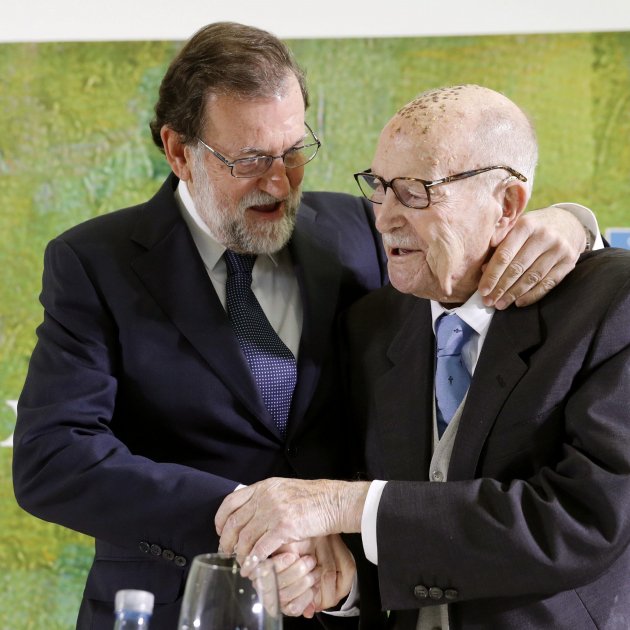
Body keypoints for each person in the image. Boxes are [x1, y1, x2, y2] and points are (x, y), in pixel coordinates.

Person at [12, 19, 596, 629]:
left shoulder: (359, 229)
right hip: (177, 607)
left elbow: (475, 250)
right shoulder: (94, 263)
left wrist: (574, 224)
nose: (278, 182)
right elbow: (54, 456)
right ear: (180, 151)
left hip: (342, 608)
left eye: (293, 151)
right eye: (249, 160)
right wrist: (253, 517)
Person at [215, 85, 630, 630]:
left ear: (507, 205)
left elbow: (583, 521)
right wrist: (344, 584)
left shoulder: (613, 306)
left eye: (415, 192)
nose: (383, 219)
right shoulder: (371, 325)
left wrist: (345, 504)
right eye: (379, 187)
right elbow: (390, 542)